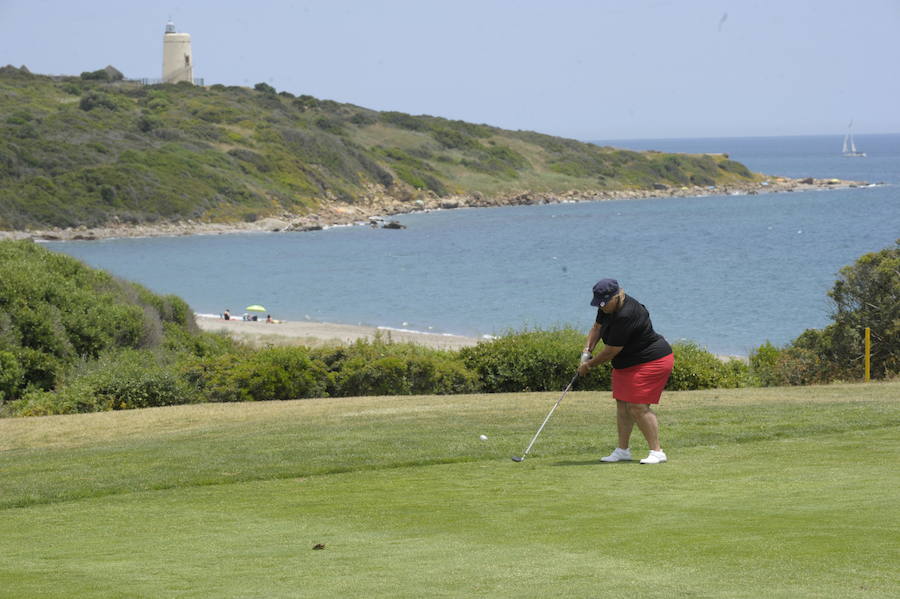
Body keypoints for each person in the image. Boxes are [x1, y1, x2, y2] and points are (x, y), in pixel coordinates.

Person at [577, 278, 674, 464]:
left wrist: (588, 366)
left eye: (605, 304)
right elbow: (596, 328)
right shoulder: (606, 306)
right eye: (599, 305)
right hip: (627, 363)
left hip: (652, 361)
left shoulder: (627, 314)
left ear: (617, 296)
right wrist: (586, 352)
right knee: (622, 405)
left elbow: (612, 351)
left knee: (637, 406)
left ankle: (657, 451)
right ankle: (623, 450)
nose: (602, 308)